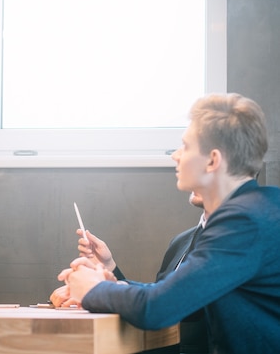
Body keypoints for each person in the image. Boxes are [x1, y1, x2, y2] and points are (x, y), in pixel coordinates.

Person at [57, 93, 280, 353]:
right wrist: (115, 285)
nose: (175, 155)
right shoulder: (257, 209)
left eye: (185, 146)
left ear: (213, 160)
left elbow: (159, 310)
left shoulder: (243, 222)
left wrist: (93, 289)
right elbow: (185, 297)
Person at [50, 192, 209, 354]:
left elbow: (162, 306)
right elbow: (158, 295)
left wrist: (97, 290)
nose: (177, 164)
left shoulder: (227, 241)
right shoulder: (181, 241)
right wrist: (109, 269)